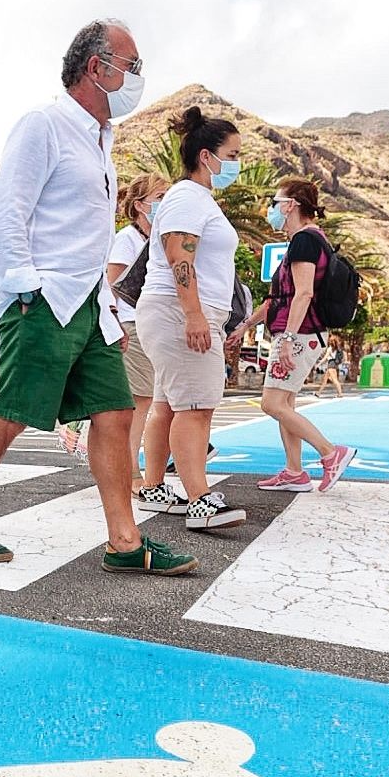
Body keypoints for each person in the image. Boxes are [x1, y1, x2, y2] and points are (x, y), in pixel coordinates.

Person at [0, 20, 197, 576]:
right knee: (13, 414)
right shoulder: (45, 125)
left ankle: (125, 543)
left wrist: (105, 305)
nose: (137, 78)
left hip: (89, 304)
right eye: (131, 66)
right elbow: (4, 212)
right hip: (43, 298)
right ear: (95, 67)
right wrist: (25, 287)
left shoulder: (100, 141)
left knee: (116, 412)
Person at [133, 107, 247, 531]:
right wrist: (195, 316)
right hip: (179, 313)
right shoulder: (185, 196)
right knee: (197, 408)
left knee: (168, 404)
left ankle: (154, 486)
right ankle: (200, 499)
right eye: (232, 154)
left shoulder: (196, 198)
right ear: (206, 155)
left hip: (176, 312)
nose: (237, 163)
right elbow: (178, 253)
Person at [226, 177, 356, 492]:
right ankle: (294, 471)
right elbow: (277, 299)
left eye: (275, 202)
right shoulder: (305, 241)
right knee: (285, 403)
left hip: (299, 334)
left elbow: (303, 294)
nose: (271, 209)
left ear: (291, 204)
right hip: (298, 332)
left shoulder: (305, 241)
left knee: (271, 403)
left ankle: (330, 453)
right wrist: (247, 325)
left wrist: (286, 339)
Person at [106, 173, 170, 488]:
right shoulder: (127, 239)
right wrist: (115, 321)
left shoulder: (156, 239)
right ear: (139, 205)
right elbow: (112, 284)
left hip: (153, 325)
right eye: (159, 197)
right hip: (134, 324)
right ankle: (130, 473)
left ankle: (133, 469)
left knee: (150, 401)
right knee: (139, 402)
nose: (164, 203)